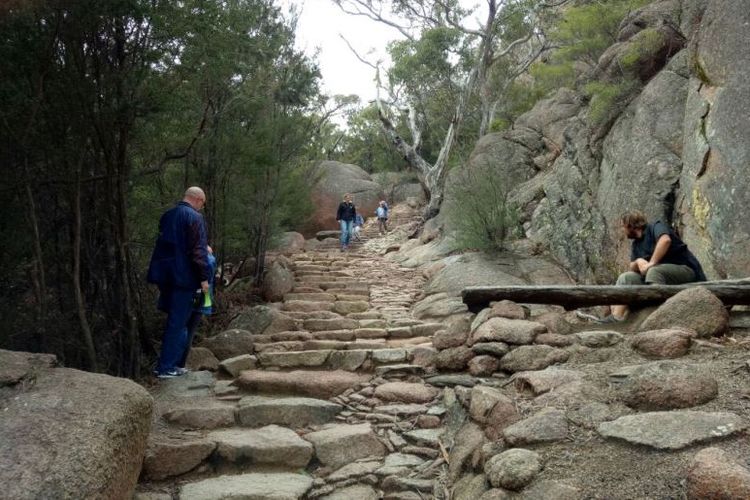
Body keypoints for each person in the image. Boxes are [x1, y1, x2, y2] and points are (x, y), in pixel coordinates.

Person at [579, 210, 706, 324]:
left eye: (622, 227)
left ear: (630, 225)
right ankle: (616, 318)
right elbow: (632, 267)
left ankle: (658, 315)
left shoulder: (655, 226)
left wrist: (651, 262)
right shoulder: (636, 244)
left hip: (686, 271)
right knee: (626, 277)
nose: (622, 231)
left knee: (654, 271)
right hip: (659, 275)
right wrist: (638, 261)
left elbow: (665, 240)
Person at [147, 186, 211, 378]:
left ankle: (172, 364)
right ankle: (166, 367)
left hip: (164, 276)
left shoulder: (168, 215)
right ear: (198, 199)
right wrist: (204, 278)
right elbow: (197, 252)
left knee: (178, 321)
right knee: (178, 322)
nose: (202, 207)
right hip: (184, 278)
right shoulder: (194, 218)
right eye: (203, 203)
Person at [177, 245, 217, 371]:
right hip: (201, 296)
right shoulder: (205, 256)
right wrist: (209, 254)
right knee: (188, 331)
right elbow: (209, 272)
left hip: (190, 295)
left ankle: (175, 364)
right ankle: (179, 365)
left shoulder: (187, 251)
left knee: (183, 329)